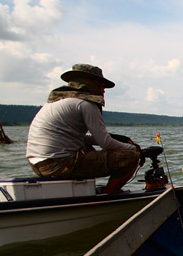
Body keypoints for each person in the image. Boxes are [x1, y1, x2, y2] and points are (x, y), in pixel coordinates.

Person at [26, 63, 139, 194]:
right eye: (101, 86)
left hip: (38, 164)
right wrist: (135, 149)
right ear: (90, 84)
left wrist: (118, 139)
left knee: (87, 149)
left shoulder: (58, 102)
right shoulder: (86, 104)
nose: (103, 91)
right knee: (131, 157)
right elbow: (105, 143)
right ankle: (108, 196)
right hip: (59, 164)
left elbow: (78, 137)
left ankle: (85, 192)